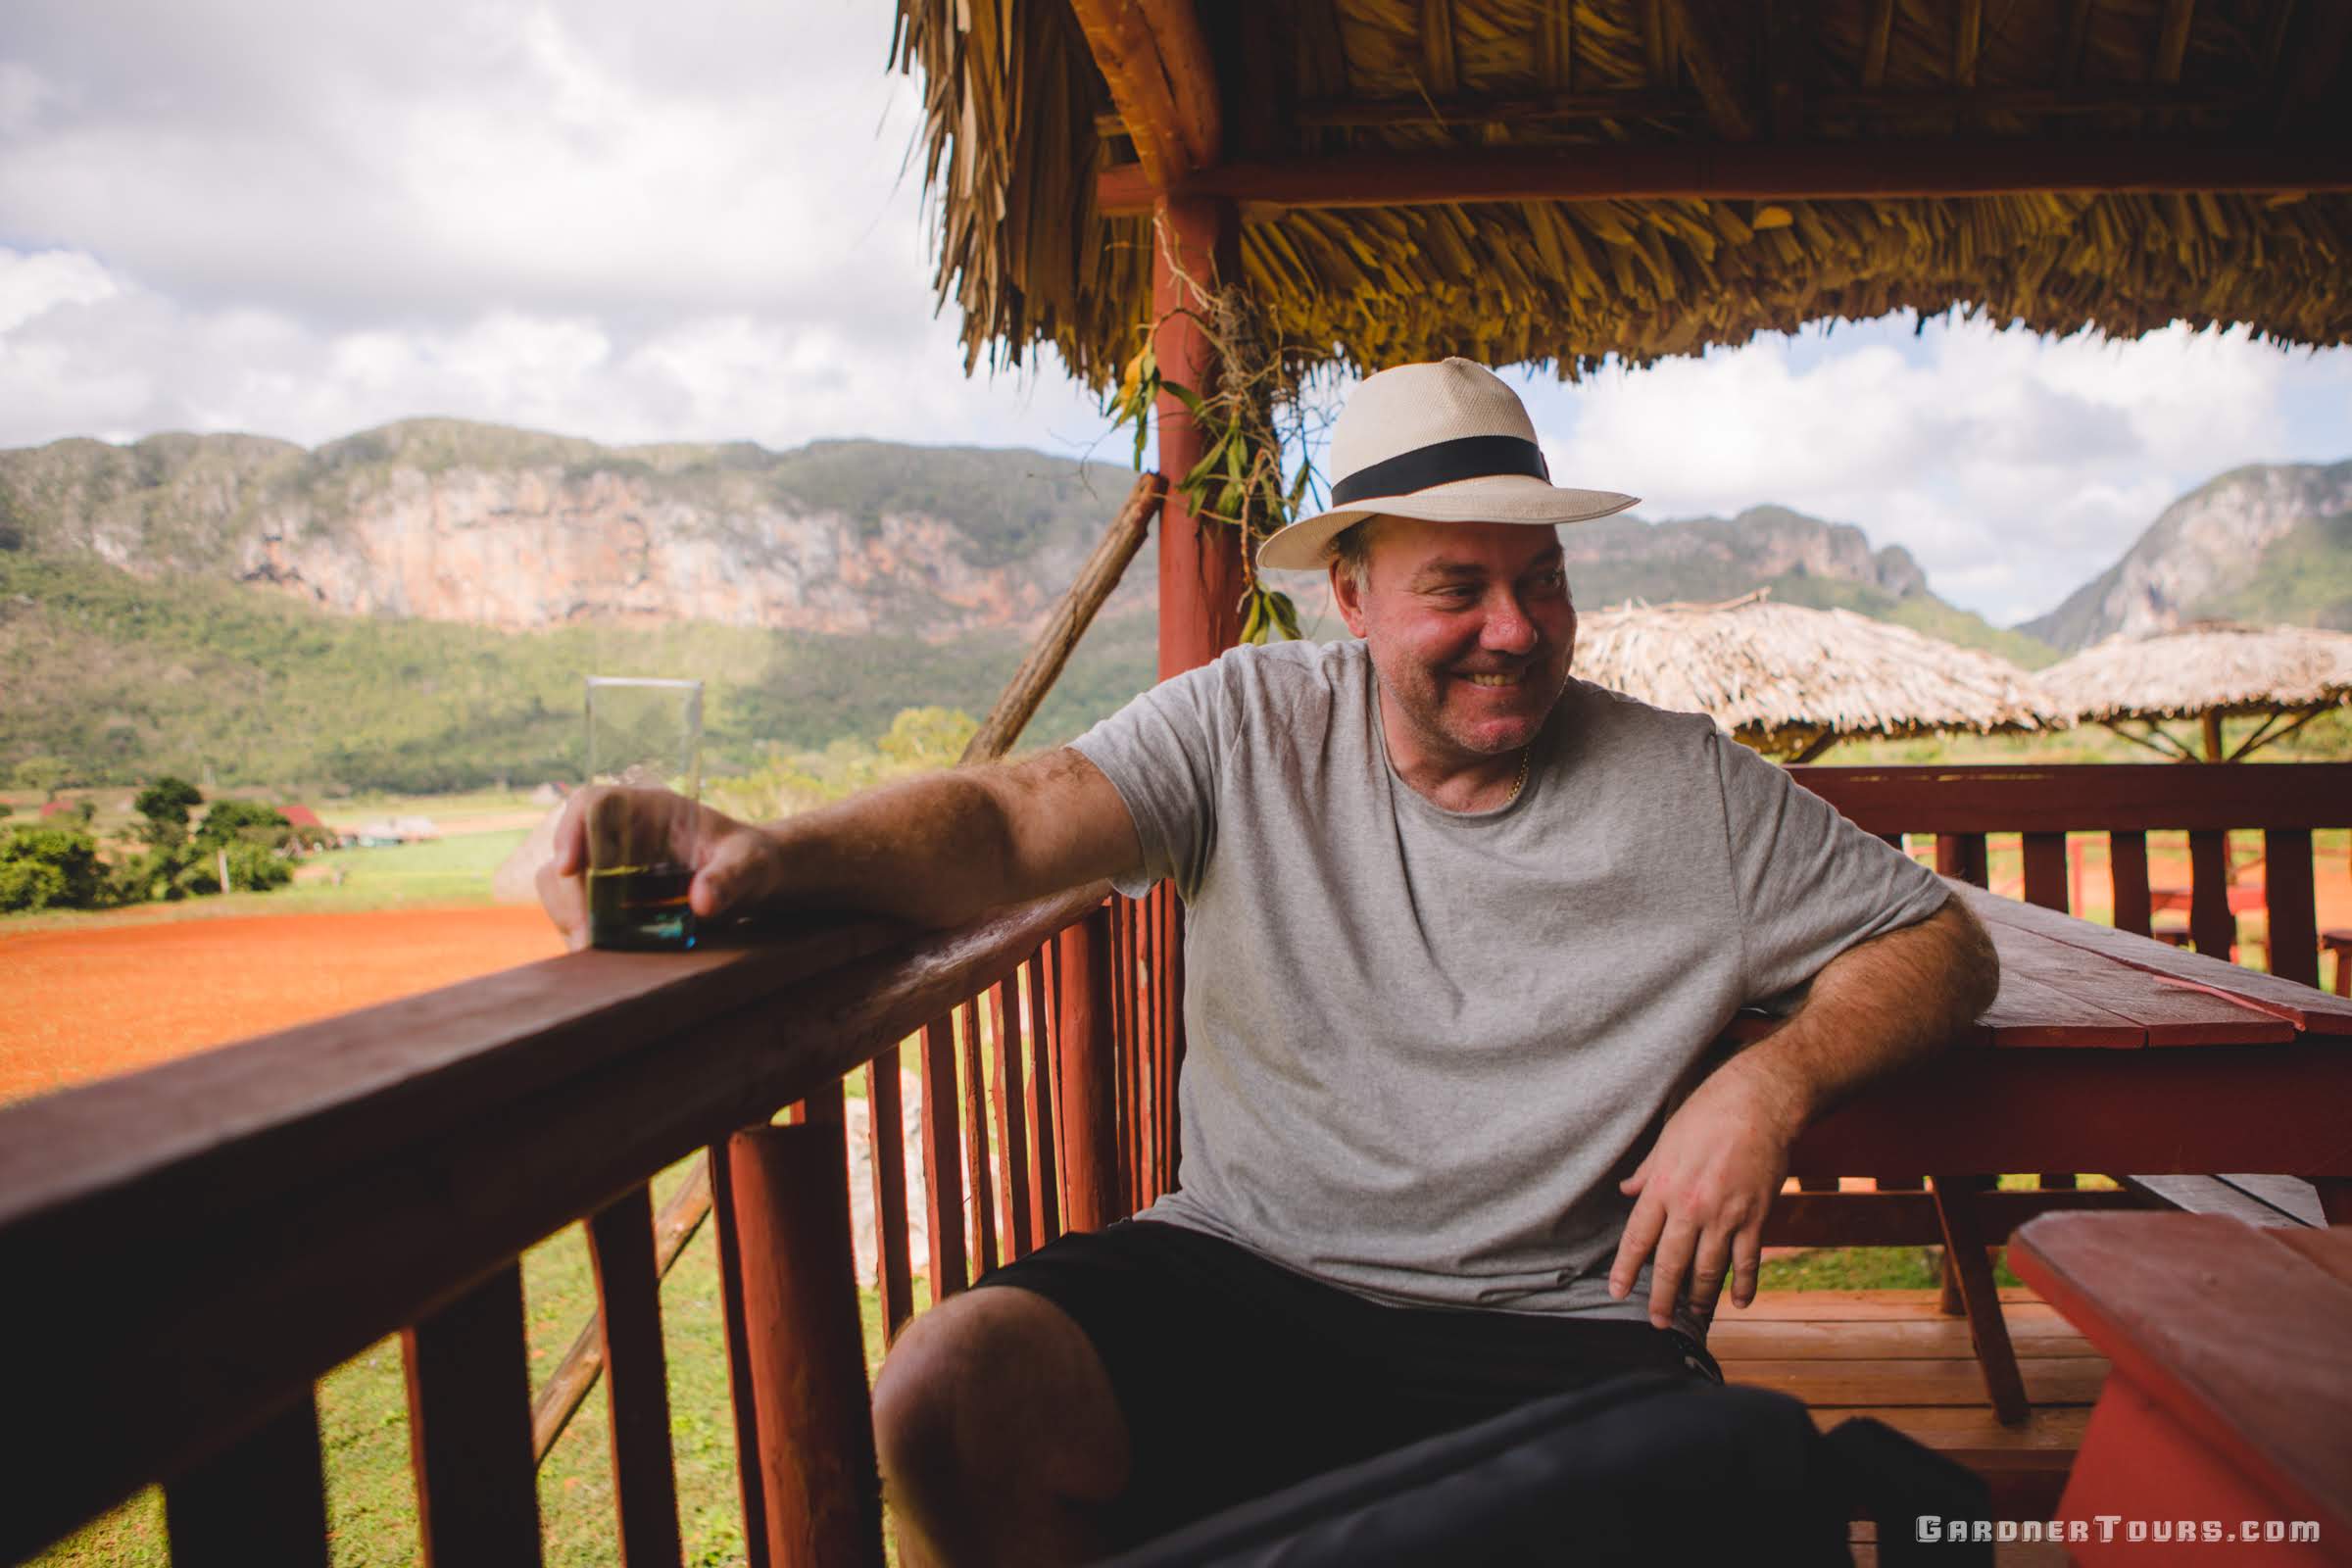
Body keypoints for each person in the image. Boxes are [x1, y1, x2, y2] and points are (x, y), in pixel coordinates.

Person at [539, 358, 2000, 1567]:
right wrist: (770, 854)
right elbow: (1008, 816)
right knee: (951, 1385)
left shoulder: (1689, 788)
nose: (1516, 629)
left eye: (1541, 580)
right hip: (1246, 1273)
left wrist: (1771, 1078)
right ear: (1349, 602)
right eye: (1458, 587)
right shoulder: (1245, 722)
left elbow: (1939, 940)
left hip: (1560, 1329)